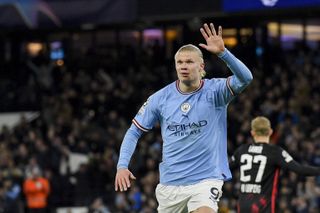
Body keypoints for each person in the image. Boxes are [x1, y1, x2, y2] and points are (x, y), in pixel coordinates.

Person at [115, 22, 253, 213]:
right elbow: (133, 132)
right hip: (171, 185)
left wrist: (223, 53)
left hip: (206, 180)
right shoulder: (160, 98)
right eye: (180, 62)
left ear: (201, 66)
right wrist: (122, 165)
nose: (183, 66)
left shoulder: (216, 91)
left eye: (189, 62)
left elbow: (246, 79)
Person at [229, 116, 320, 213]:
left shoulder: (242, 150)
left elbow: (225, 169)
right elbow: (299, 169)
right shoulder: (275, 152)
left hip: (243, 205)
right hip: (262, 205)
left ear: (252, 133)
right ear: (270, 132)